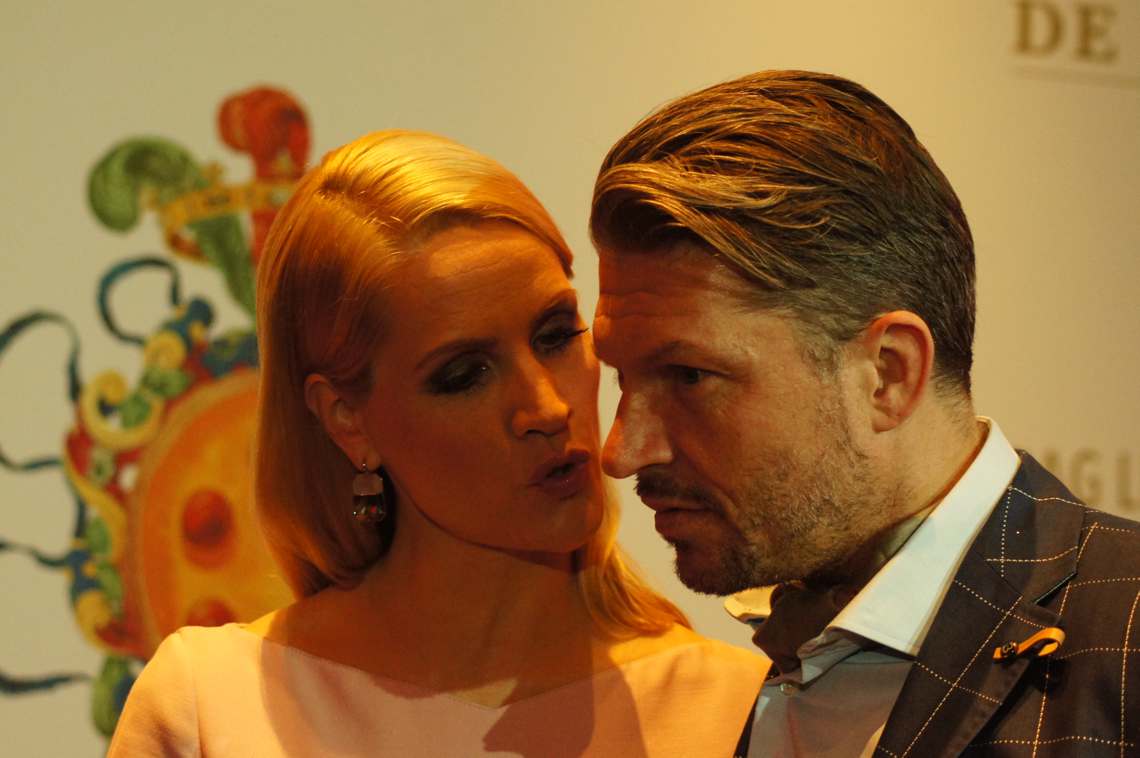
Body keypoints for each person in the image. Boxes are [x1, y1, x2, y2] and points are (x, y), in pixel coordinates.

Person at [108, 130, 765, 756]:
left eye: (555, 336)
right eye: (464, 375)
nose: (546, 407)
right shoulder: (212, 708)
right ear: (348, 421)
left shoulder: (736, 711)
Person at [590, 70, 1140, 757]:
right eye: (620, 377)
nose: (621, 451)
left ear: (887, 374)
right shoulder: (719, 688)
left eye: (689, 377)